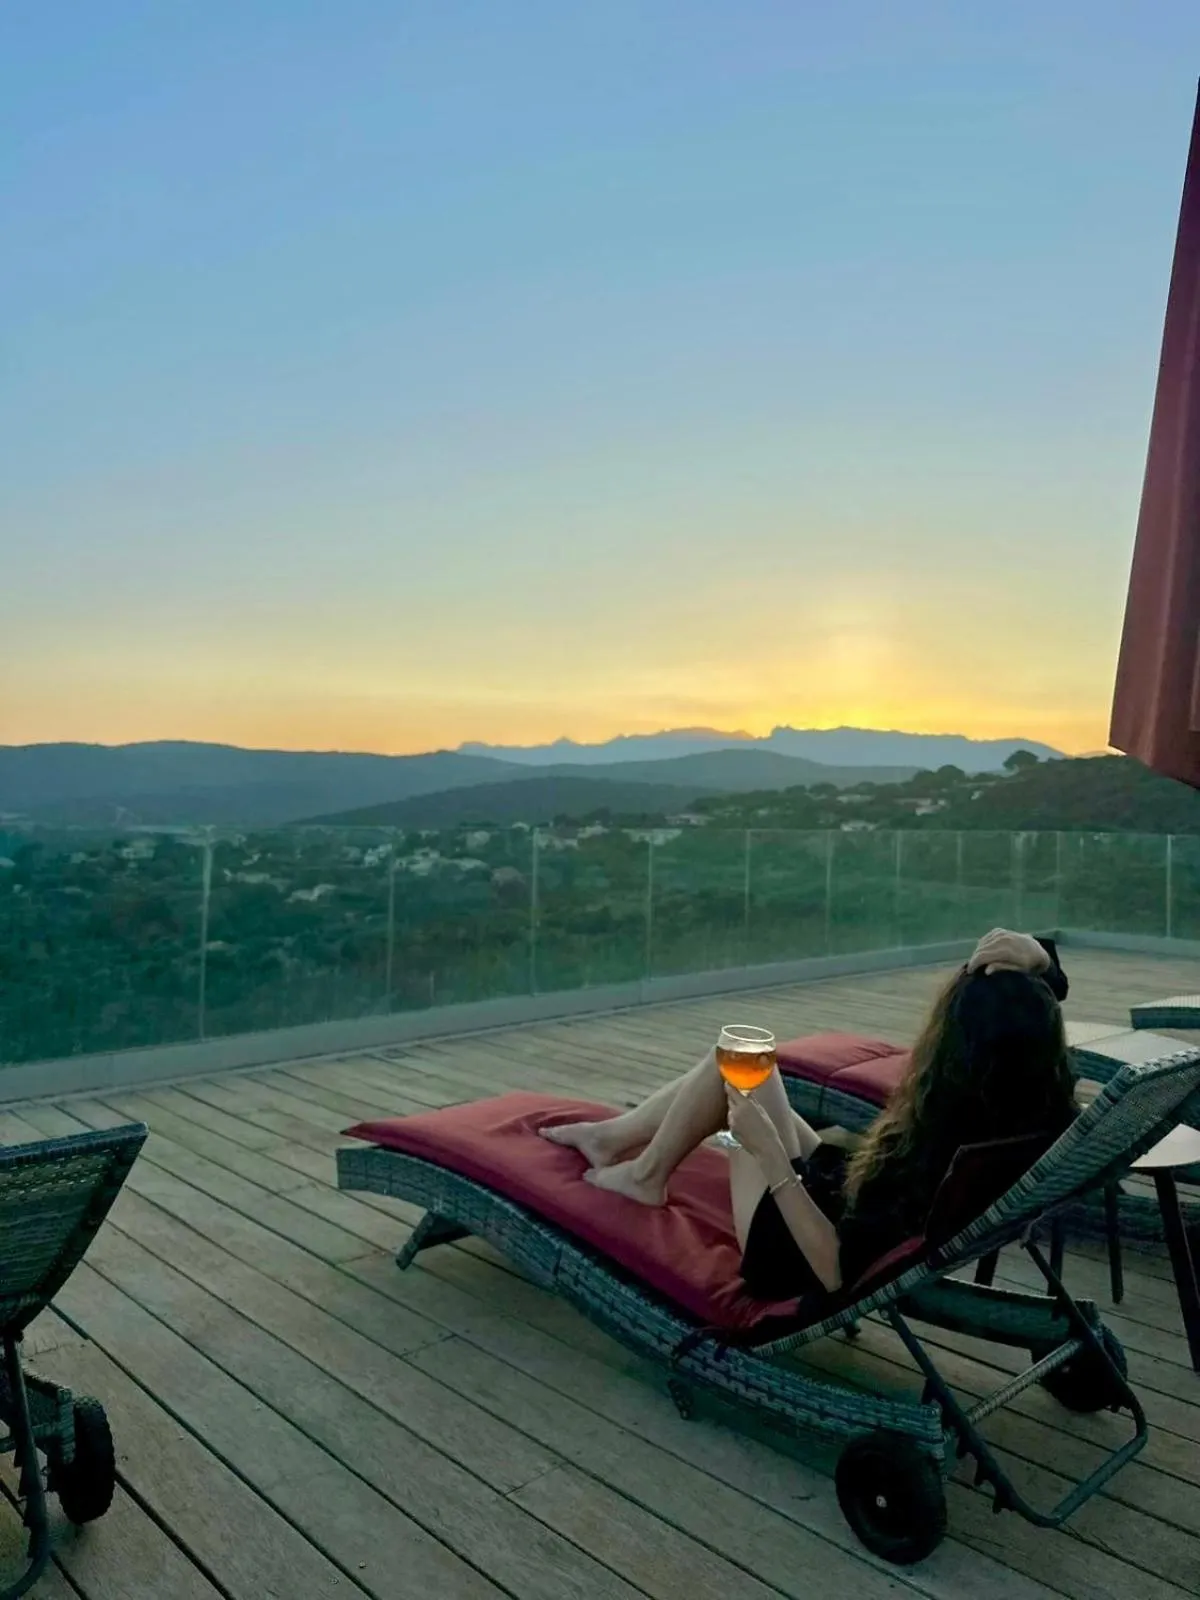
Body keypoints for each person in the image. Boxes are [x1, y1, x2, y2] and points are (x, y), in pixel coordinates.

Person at [540, 929, 1077, 1299]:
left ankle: (643, 1175)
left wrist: (770, 1156)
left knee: (736, 1070)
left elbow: (837, 1270)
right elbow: (1027, 1015)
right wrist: (1041, 964)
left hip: (794, 1249)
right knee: (741, 1055)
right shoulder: (1042, 1108)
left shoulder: (939, 1147)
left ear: (956, 1045)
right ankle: (613, 1139)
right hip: (836, 1192)